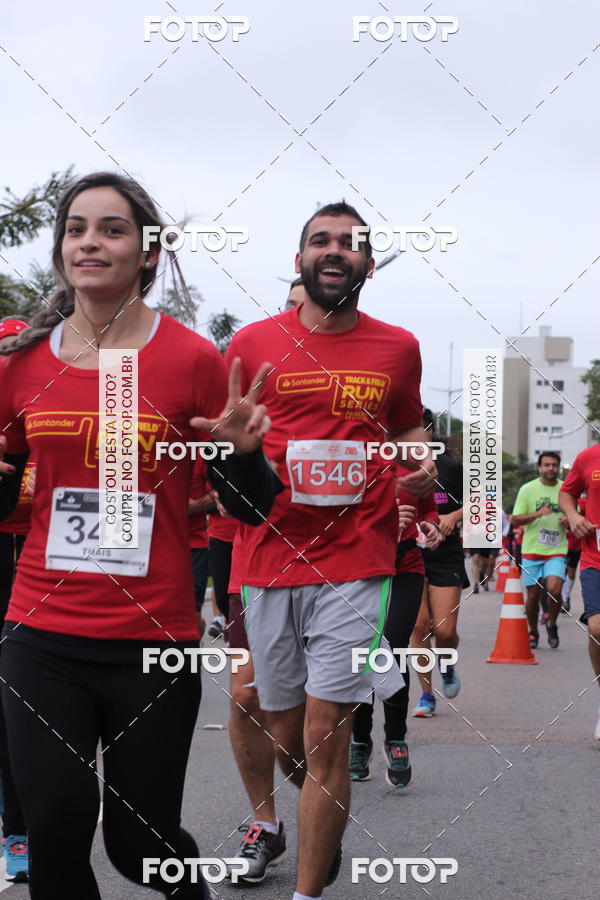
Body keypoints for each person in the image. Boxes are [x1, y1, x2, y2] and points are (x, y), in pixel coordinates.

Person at [0, 171, 280, 900]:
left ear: (148, 253)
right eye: (76, 228)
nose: (90, 241)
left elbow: (250, 510)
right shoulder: (20, 364)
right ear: (62, 249)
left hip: (151, 641)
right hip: (40, 633)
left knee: (140, 844)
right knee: (55, 827)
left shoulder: (191, 359)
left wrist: (244, 455)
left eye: (111, 228)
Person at [228, 201, 434, 900]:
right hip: (269, 561)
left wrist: (419, 466)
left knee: (326, 733)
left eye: (349, 243)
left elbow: (407, 428)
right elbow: (230, 444)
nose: (334, 250)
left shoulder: (397, 347)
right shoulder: (253, 343)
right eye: (320, 240)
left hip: (358, 561)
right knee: (286, 736)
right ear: (299, 259)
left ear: (368, 264)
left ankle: (306, 891)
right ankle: (324, 825)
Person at [350, 477, 441, 786]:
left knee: (394, 647)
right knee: (362, 650)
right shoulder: (353, 454)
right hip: (360, 564)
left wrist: (430, 526)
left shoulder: (416, 464)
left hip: (406, 565)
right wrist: (384, 517)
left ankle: (396, 739)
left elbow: (428, 509)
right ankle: (360, 740)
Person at [0, 318, 31, 882]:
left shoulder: (51, 410)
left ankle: (21, 832)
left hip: (42, 562)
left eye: (17, 350)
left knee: (20, 705)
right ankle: (16, 831)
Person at [411, 418, 467, 716]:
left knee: (445, 631)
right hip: (408, 553)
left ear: (430, 431)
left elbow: (480, 500)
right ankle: (426, 695)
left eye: (419, 426)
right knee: (419, 627)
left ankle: (447, 664)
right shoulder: (394, 463)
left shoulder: (450, 466)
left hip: (445, 553)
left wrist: (454, 516)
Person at [559, 451, 600, 741]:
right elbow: (566, 493)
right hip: (594, 560)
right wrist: (574, 515)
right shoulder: (589, 457)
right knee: (597, 628)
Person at [511, 451, 568, 649]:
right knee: (533, 596)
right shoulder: (528, 489)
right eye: (546, 465)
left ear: (558, 467)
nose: (550, 468)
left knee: (554, 589)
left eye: (554, 465)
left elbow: (576, 515)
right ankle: (533, 631)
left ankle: (552, 624)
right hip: (532, 550)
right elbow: (515, 519)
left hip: (556, 550)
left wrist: (569, 519)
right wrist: (537, 513)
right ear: (540, 467)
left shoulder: (566, 489)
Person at [562, 496, 586, 613]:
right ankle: (559, 597)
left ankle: (565, 598)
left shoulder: (583, 502)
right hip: (560, 544)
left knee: (571, 573)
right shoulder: (561, 501)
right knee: (560, 572)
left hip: (575, 544)